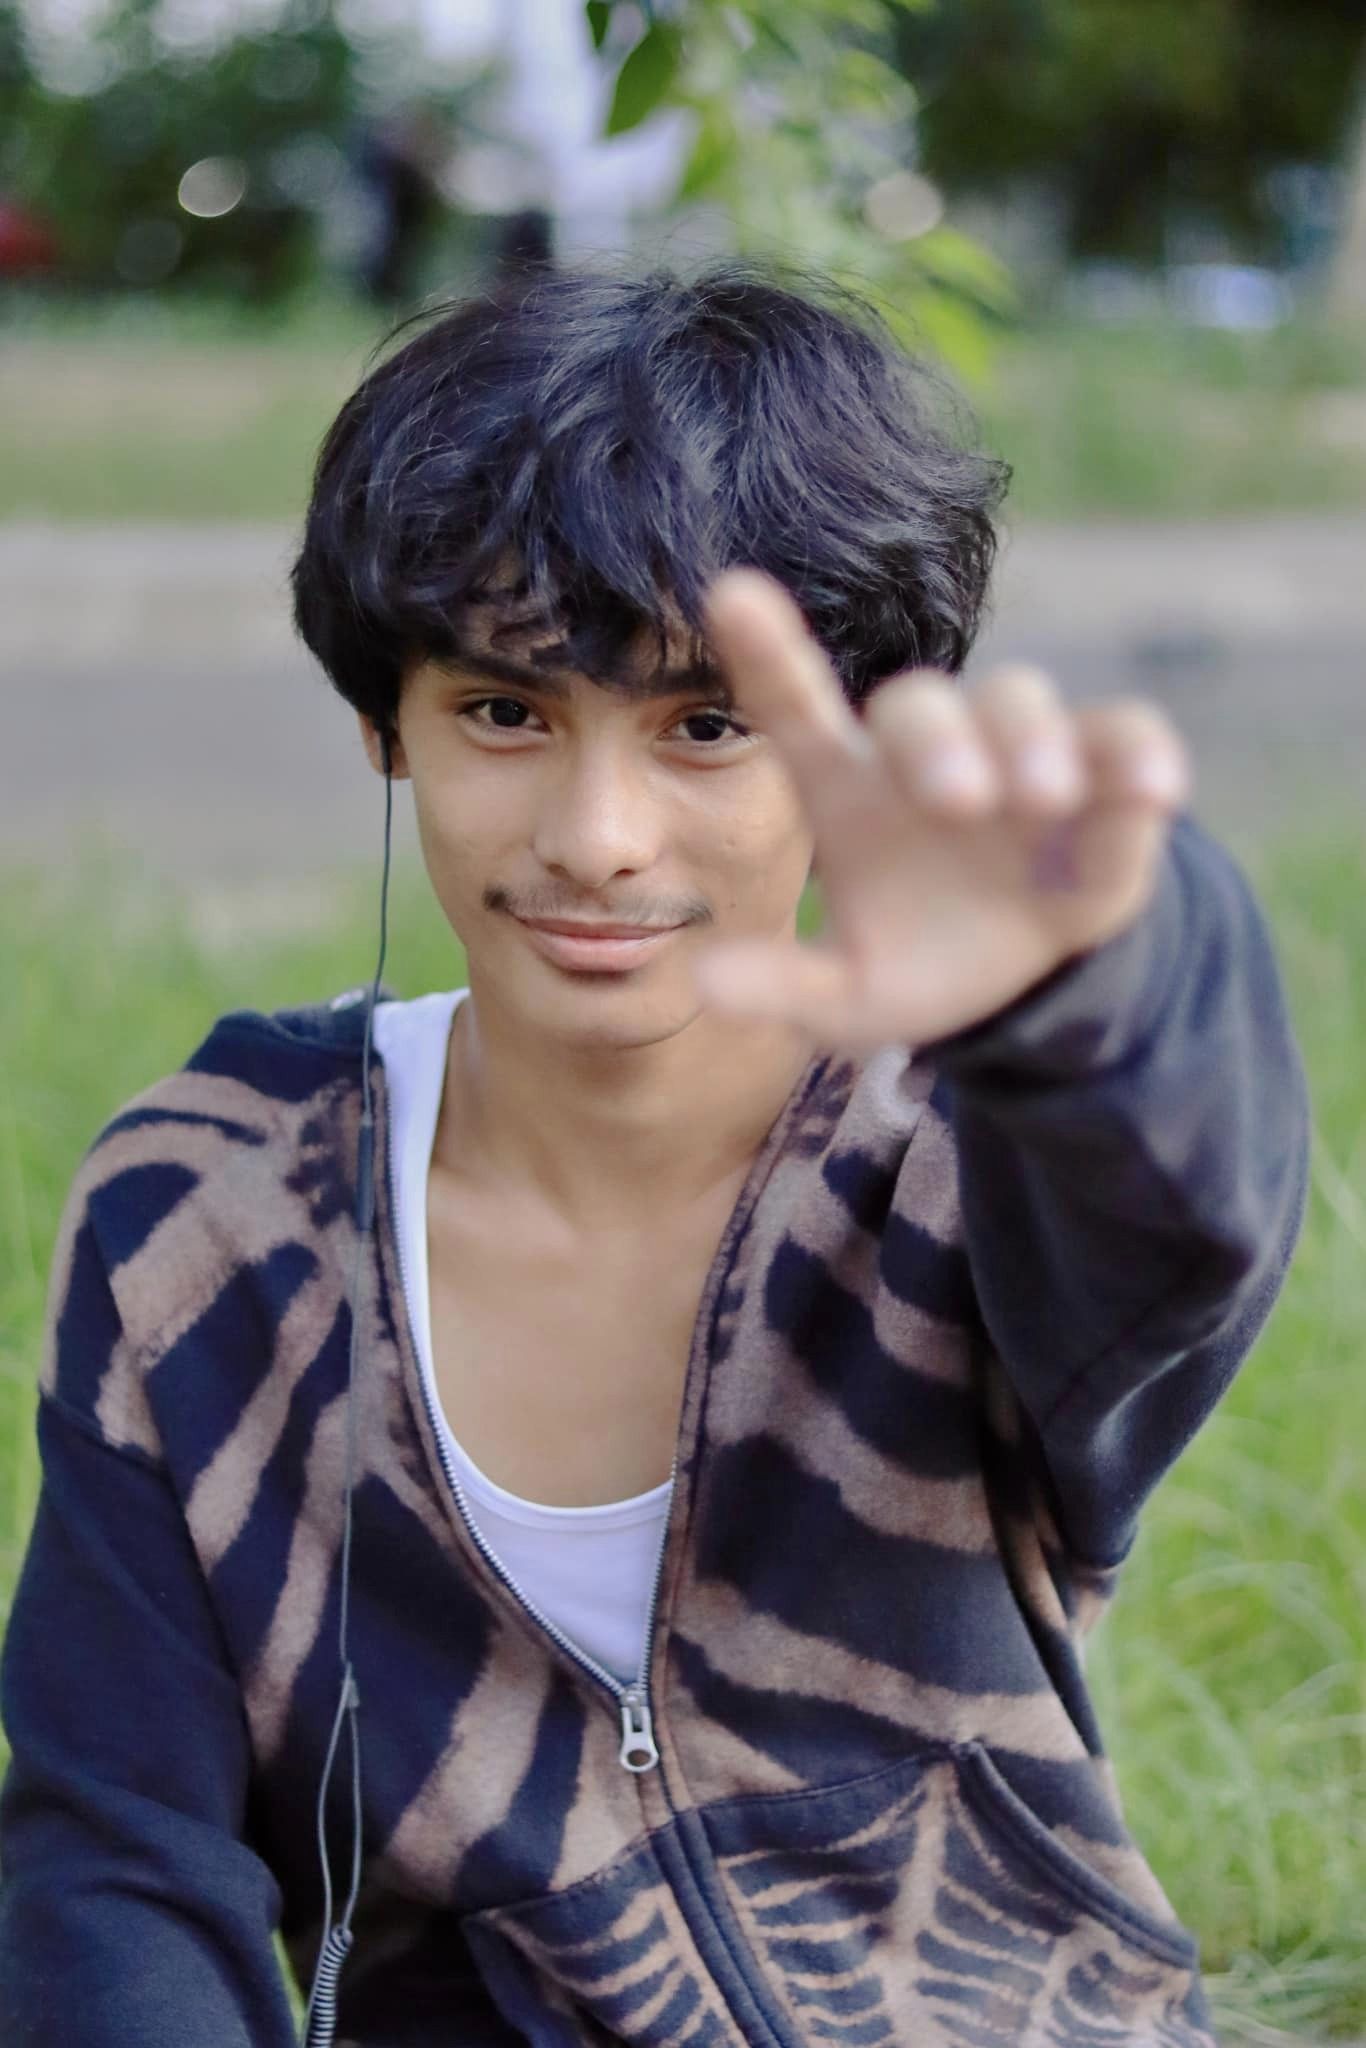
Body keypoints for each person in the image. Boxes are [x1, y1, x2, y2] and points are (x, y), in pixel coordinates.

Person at [0, 261, 1308, 2048]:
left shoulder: (966, 1159)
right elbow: (119, 1852)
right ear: (384, 722)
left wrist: (1090, 970)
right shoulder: (204, 1213)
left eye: (707, 725)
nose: (598, 836)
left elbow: (1184, 1201)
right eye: (504, 713)